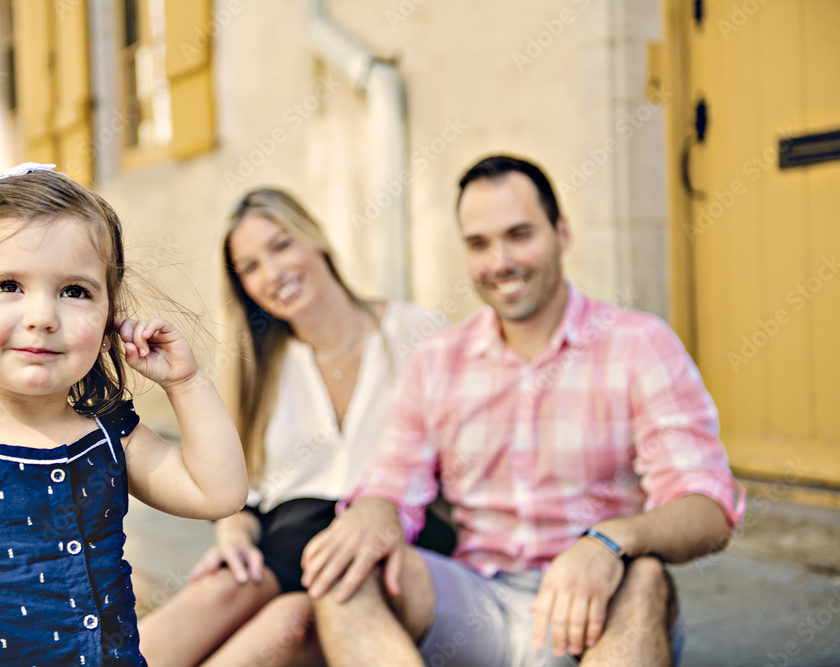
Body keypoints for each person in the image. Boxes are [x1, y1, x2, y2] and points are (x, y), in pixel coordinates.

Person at [300, 155, 746, 667]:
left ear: (562, 232)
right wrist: (373, 513)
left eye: (519, 235)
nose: (500, 261)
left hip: (599, 606)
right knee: (346, 578)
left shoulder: (639, 344)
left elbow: (708, 508)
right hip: (476, 600)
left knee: (644, 576)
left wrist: (609, 540)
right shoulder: (438, 361)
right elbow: (391, 485)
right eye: (479, 244)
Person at [0, 163, 248, 666]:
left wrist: (186, 383)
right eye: (8, 285)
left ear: (106, 317)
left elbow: (220, 492)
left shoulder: (110, 437)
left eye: (75, 291)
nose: (42, 317)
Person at [138, 188, 452, 666]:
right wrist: (233, 535)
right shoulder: (260, 370)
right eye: (250, 267)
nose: (273, 274)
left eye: (281, 245)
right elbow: (245, 491)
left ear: (316, 240)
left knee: (288, 623)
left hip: (383, 545)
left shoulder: (418, 333)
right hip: (284, 542)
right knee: (218, 590)